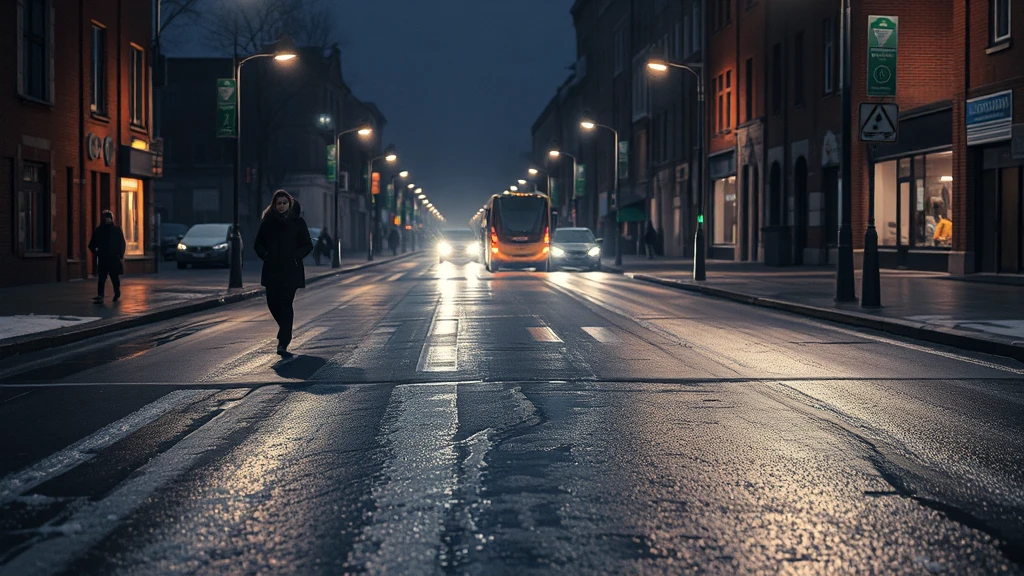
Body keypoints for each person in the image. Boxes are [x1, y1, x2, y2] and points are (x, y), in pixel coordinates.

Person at [254, 190, 313, 355]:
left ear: (290, 204)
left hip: (291, 270)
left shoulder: (297, 222)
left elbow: (307, 244)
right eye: (278, 203)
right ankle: (285, 328)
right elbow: (258, 244)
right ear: (274, 204)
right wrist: (266, 255)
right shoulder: (268, 222)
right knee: (272, 303)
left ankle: (283, 340)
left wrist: (295, 257)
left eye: (284, 203)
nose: (281, 206)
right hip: (272, 269)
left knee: (286, 304)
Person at [88, 210, 126, 303]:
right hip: (104, 258)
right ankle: (100, 295)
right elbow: (91, 244)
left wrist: (120, 255)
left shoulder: (116, 230)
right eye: (105, 218)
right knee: (102, 278)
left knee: (114, 277)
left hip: (113, 257)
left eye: (108, 218)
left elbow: (122, 243)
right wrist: (97, 253)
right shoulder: (99, 230)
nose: (107, 220)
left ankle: (116, 292)